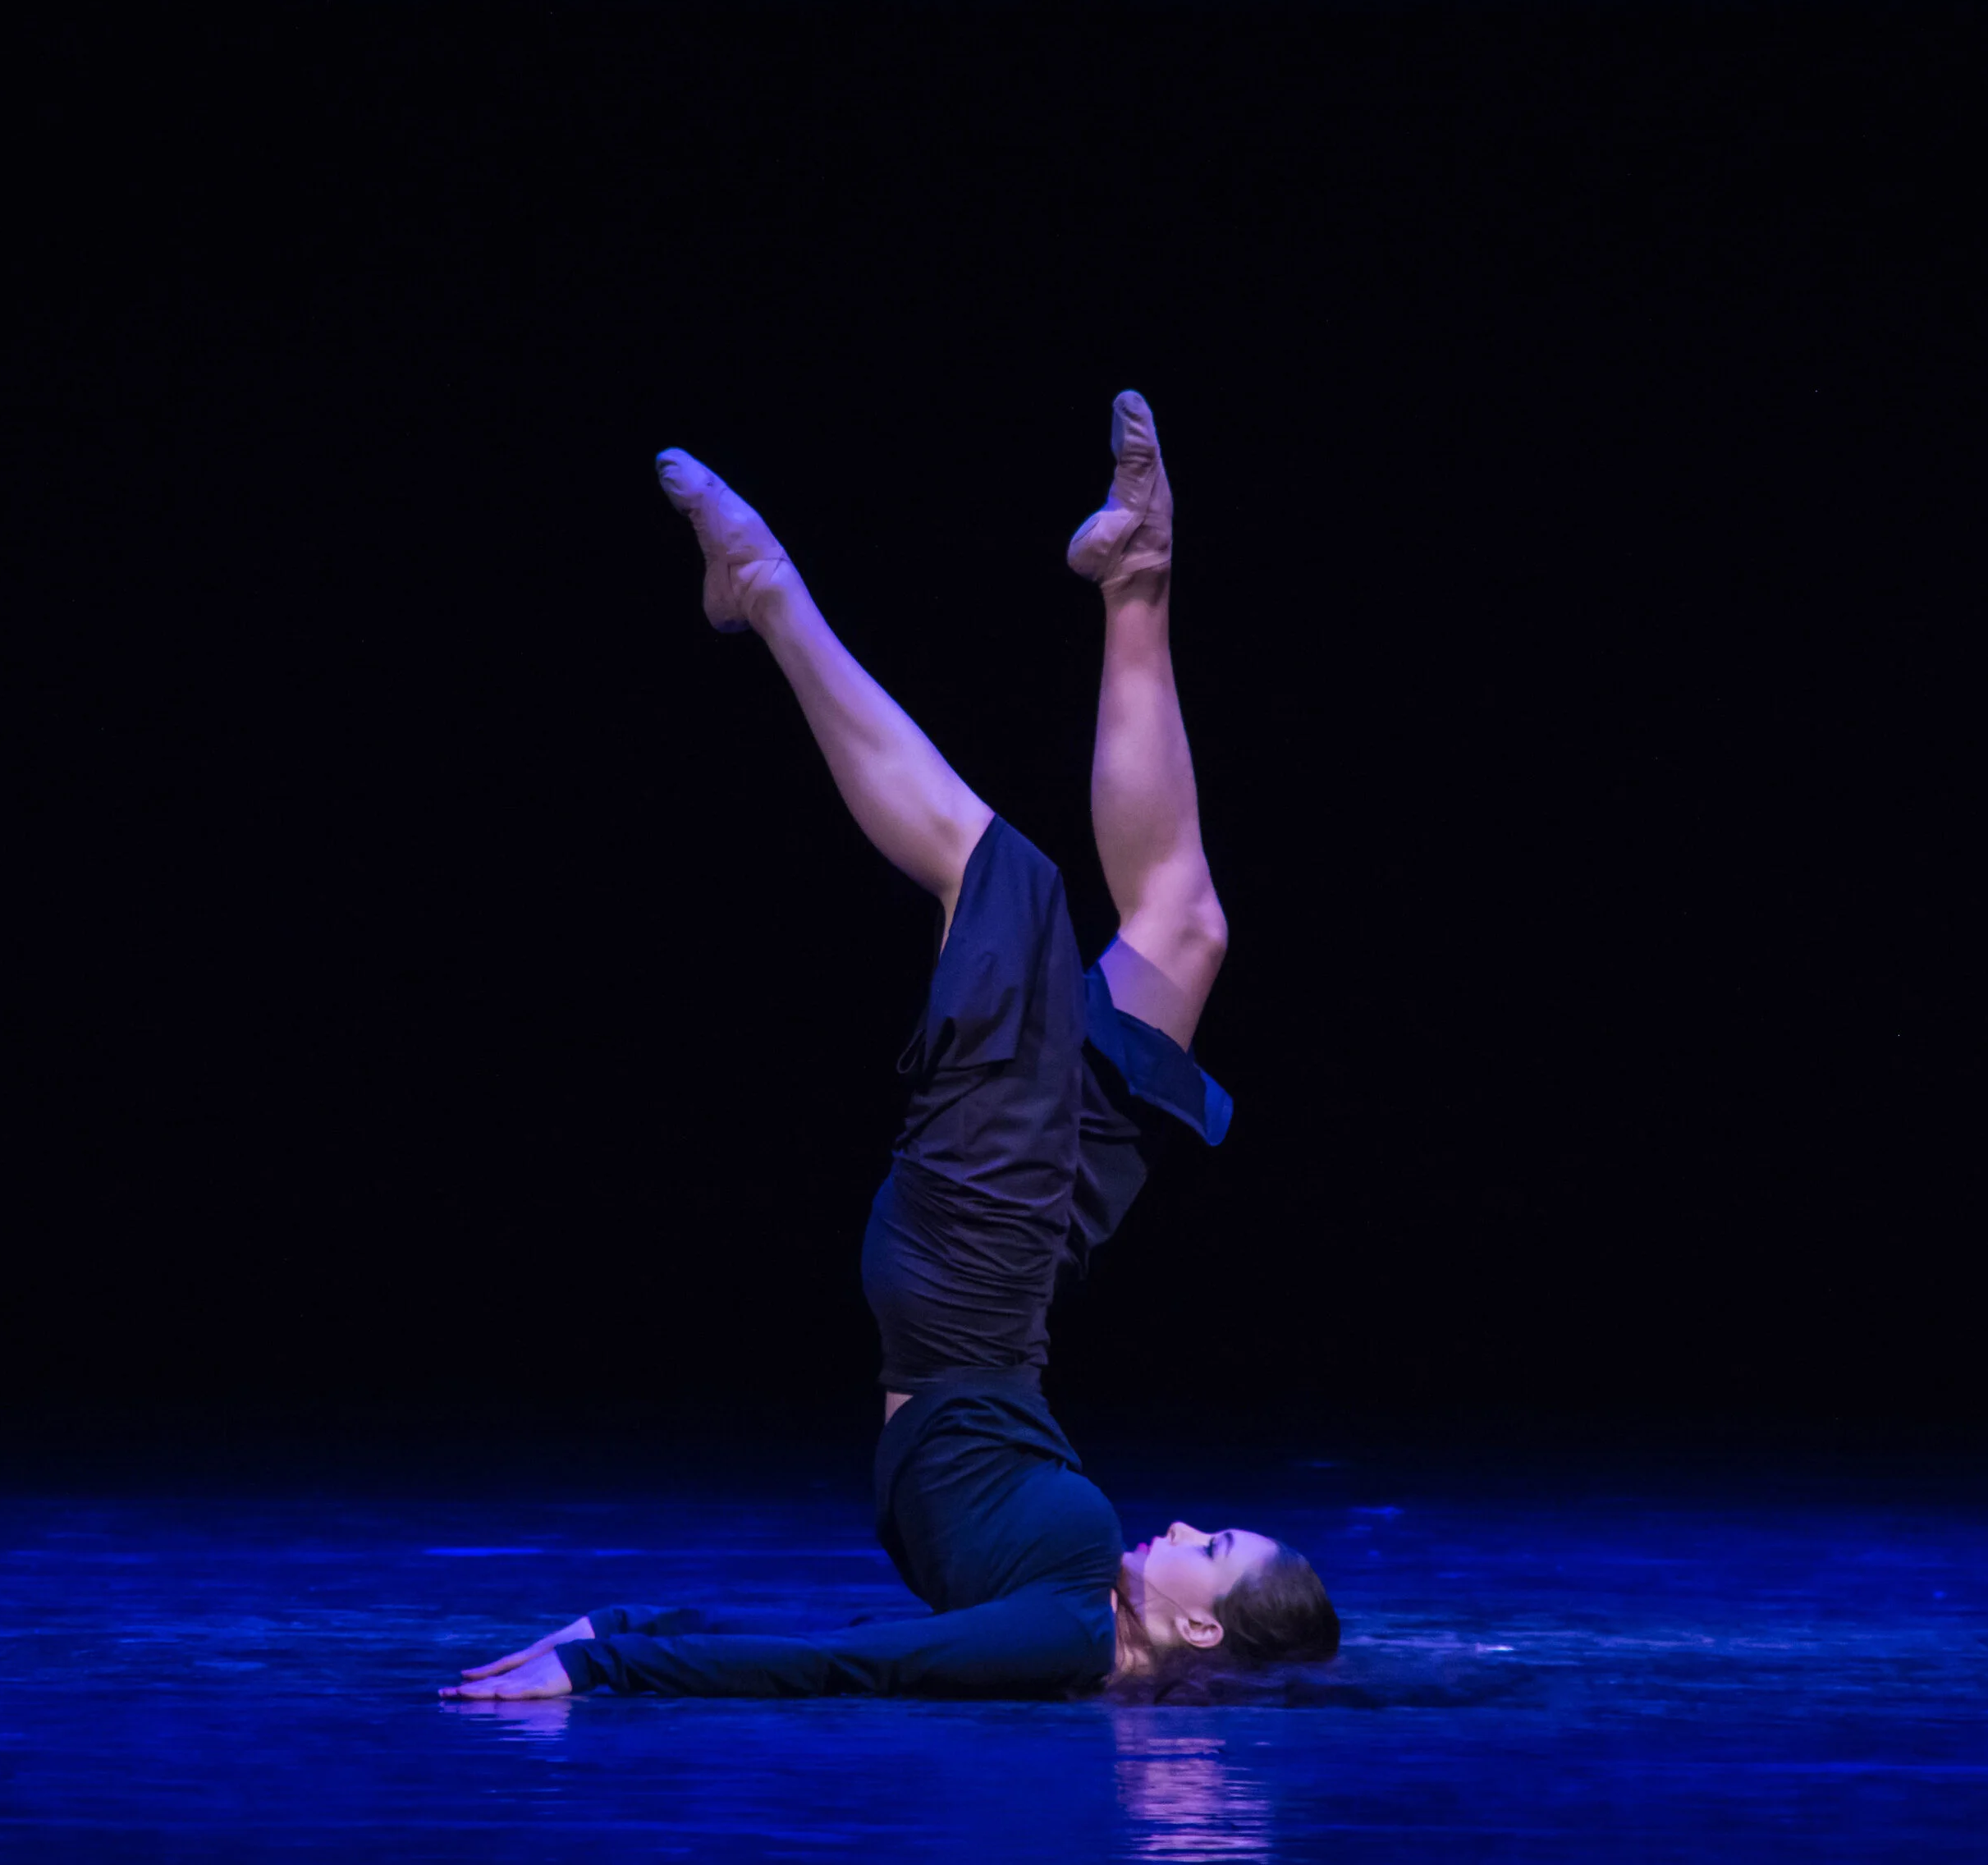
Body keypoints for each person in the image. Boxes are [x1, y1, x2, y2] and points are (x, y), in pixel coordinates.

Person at [438, 392, 1338, 1702]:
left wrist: (608, 1663)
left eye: (1211, 1548)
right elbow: (868, 1630)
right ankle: (1135, 578)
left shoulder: (1069, 1633)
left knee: (1005, 880)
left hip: (970, 1287)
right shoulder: (1070, 1625)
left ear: (1203, 1629)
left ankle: (763, 585)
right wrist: (630, 1619)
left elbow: (855, 1662)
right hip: (1006, 1296)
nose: (1187, 1524)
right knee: (1184, 929)